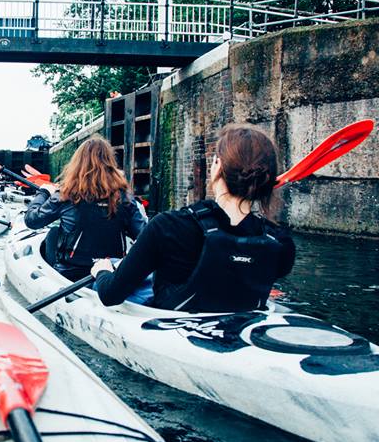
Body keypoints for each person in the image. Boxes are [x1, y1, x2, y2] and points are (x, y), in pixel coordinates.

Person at [91, 123, 296, 312]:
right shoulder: (281, 244)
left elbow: (110, 295)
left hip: (173, 334)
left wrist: (102, 271)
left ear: (217, 166)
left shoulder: (167, 226)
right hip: (239, 332)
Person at [24, 136, 146, 281]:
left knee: (53, 233)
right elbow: (144, 236)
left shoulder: (66, 195)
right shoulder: (125, 198)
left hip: (71, 274)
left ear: (77, 164)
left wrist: (43, 193)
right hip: (111, 273)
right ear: (111, 163)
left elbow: (32, 221)